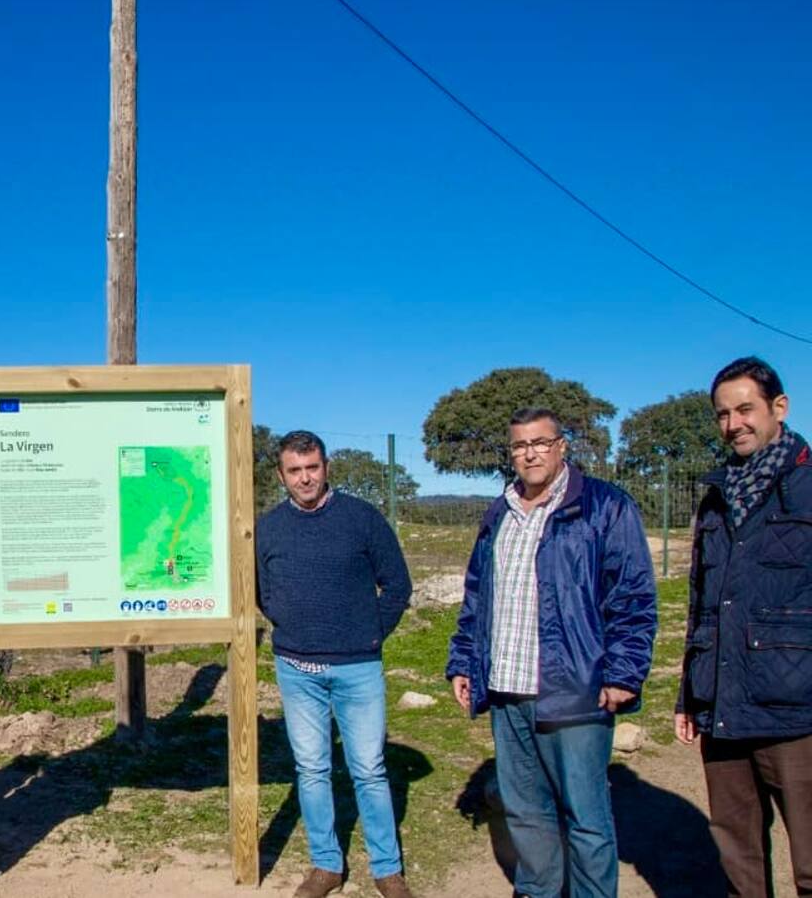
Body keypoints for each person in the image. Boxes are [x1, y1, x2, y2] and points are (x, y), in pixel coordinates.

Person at [446, 408, 657, 898]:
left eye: (541, 442)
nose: (530, 453)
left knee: (585, 816)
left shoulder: (604, 507)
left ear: (562, 446)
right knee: (525, 812)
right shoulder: (499, 512)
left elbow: (633, 596)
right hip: (506, 689)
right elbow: (478, 595)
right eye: (520, 445)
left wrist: (624, 672)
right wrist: (464, 662)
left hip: (575, 689)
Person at [256, 430, 414, 898]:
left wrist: (368, 633)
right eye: (295, 471)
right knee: (312, 769)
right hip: (296, 667)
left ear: (327, 468)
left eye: (313, 468)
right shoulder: (268, 528)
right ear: (282, 475)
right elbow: (261, 592)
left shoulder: (362, 519)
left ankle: (388, 869)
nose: (305, 478)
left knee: (369, 768)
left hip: (358, 667)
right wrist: (292, 625)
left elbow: (398, 585)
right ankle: (326, 865)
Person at [675, 356, 812, 898]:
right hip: (724, 708)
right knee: (739, 862)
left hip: (798, 711)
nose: (734, 424)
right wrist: (690, 690)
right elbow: (701, 600)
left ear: (779, 407)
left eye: (746, 409)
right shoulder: (717, 495)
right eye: (723, 414)